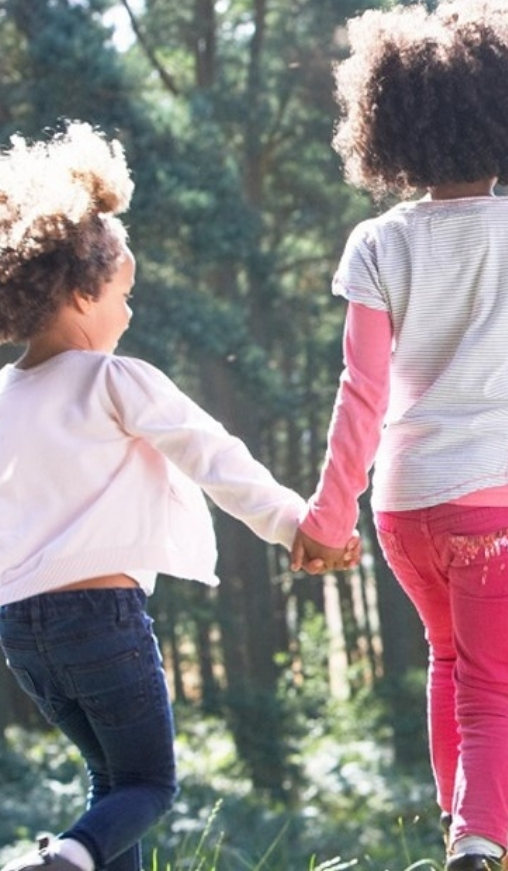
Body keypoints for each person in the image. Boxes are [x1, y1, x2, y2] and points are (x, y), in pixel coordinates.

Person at [294, 0, 508, 871]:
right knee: (493, 692)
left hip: (405, 509)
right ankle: (482, 845)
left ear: (392, 125)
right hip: (497, 504)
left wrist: (330, 514)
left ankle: (462, 836)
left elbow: (360, 390)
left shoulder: (377, 244)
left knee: (448, 663)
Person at [0, 123, 351, 871]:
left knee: (110, 787)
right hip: (103, 621)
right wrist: (296, 522)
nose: (129, 314)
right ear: (81, 290)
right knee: (152, 785)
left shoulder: (3, 395)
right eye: (124, 295)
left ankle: (72, 856)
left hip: (22, 634)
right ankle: (57, 861)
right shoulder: (115, 380)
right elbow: (215, 457)